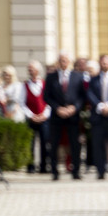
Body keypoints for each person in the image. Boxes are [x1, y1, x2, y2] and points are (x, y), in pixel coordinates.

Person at [44, 52, 86, 180]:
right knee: (55, 144)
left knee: (75, 144)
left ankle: (76, 171)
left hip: (73, 116)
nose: (63, 63)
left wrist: (75, 107)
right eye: (61, 60)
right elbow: (47, 96)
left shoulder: (77, 76)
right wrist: (58, 108)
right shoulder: (51, 77)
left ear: (70, 62)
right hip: (57, 115)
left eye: (66, 60)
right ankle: (54, 171)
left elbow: (82, 96)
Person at [23, 61, 51, 173]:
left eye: (32, 69)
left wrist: (44, 115)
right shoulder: (24, 85)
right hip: (31, 118)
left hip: (44, 118)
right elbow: (22, 103)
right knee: (30, 143)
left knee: (45, 142)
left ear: (38, 70)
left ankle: (44, 166)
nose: (31, 71)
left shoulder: (45, 84)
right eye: (29, 69)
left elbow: (49, 102)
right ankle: (30, 166)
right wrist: (31, 115)